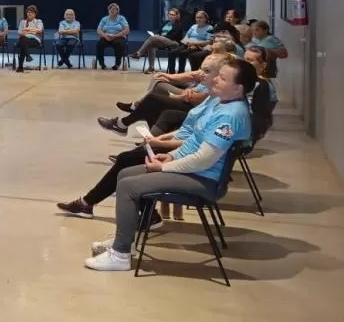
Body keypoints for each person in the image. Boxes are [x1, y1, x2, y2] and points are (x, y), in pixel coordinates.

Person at [83, 59, 264, 272]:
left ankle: (120, 255)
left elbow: (203, 159)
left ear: (238, 88)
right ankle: (125, 240)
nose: (215, 79)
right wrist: (170, 156)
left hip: (202, 178)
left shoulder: (230, 116)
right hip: (191, 168)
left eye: (222, 78)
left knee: (128, 186)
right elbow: (193, 140)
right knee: (125, 174)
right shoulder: (220, 102)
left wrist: (164, 167)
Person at [56, 52, 229, 221]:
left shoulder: (222, 108)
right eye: (202, 69)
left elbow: (198, 145)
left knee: (126, 158)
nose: (200, 74)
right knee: (155, 113)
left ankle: (132, 212)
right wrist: (161, 139)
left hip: (183, 155)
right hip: (176, 146)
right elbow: (191, 131)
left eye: (207, 71)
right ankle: (94, 203)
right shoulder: (213, 98)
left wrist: (164, 148)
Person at [96, 52, 233, 135]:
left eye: (206, 71)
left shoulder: (218, 85)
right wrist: (176, 82)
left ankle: (126, 120)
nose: (202, 73)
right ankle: (145, 140)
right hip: (190, 99)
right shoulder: (210, 72)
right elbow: (193, 81)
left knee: (153, 99)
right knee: (152, 102)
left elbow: (197, 98)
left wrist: (176, 95)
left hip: (193, 107)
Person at [131, 7, 184, 73]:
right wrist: (158, 35)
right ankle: (151, 68)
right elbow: (159, 32)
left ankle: (139, 53)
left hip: (173, 42)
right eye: (169, 14)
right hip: (162, 41)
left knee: (154, 38)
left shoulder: (179, 24)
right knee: (151, 45)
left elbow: (174, 36)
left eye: (172, 15)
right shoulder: (166, 23)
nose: (170, 16)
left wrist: (161, 36)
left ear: (176, 16)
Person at [95, 3, 129, 69]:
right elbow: (98, 30)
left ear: (117, 11)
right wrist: (105, 36)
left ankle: (117, 64)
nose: (112, 10)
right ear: (108, 10)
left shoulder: (121, 18)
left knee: (118, 44)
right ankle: (102, 64)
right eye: (110, 9)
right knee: (99, 44)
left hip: (119, 37)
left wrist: (115, 36)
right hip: (107, 37)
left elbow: (127, 30)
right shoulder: (104, 19)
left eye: (114, 9)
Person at [15, 5, 44, 73]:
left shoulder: (38, 21)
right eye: (29, 12)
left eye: (32, 13)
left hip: (34, 40)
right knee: (23, 40)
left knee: (23, 42)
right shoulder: (22, 22)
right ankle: (28, 56)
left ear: (35, 14)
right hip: (24, 39)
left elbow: (39, 30)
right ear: (26, 13)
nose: (30, 14)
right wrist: (33, 31)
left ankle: (20, 67)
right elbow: (20, 32)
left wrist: (27, 30)